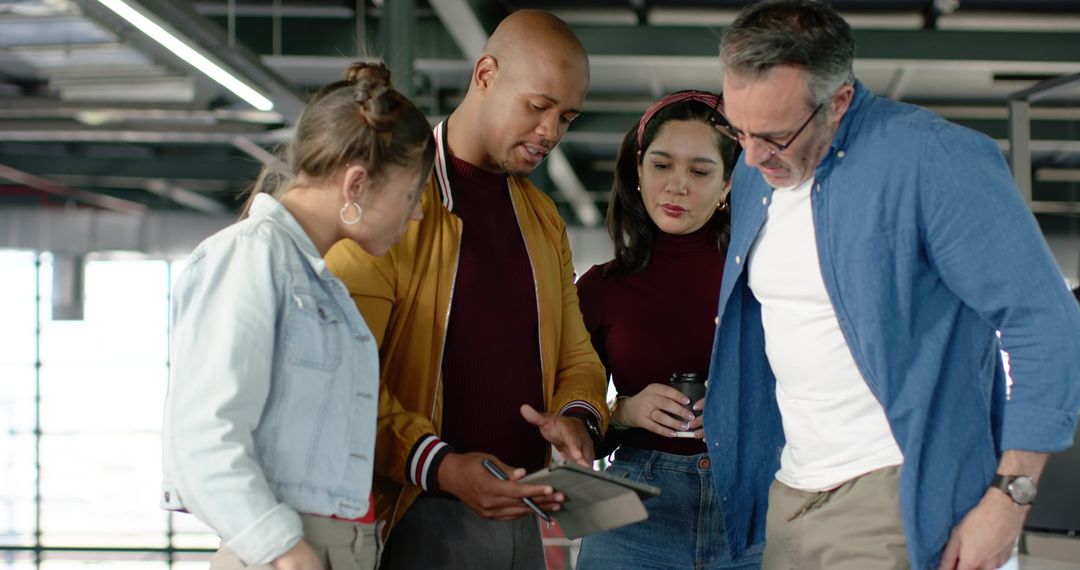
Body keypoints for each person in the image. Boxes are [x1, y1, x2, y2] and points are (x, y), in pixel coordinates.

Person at [702, 1, 1080, 569]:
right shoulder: (755, 173)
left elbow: (1045, 323)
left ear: (840, 101)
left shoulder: (934, 157)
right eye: (740, 130)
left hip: (894, 491)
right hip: (789, 493)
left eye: (775, 136)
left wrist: (1009, 500)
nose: (753, 156)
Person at [323, 9, 608, 570]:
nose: (551, 131)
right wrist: (443, 466)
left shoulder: (542, 217)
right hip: (413, 511)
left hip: (521, 514)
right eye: (538, 106)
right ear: (485, 75)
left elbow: (577, 354)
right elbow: (346, 381)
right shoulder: (392, 204)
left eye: (567, 117)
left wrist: (579, 417)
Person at [160, 62, 435, 570]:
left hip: (332, 546)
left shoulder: (317, 279)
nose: (415, 213)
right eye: (411, 193)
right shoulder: (248, 257)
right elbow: (201, 439)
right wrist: (288, 553)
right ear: (356, 185)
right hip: (290, 552)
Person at [572, 90, 757, 569]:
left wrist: (740, 409)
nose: (676, 186)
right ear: (637, 170)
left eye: (698, 171)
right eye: (661, 166)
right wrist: (625, 410)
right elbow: (573, 428)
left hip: (752, 505)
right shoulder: (599, 289)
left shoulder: (766, 281)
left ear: (728, 184)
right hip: (636, 509)